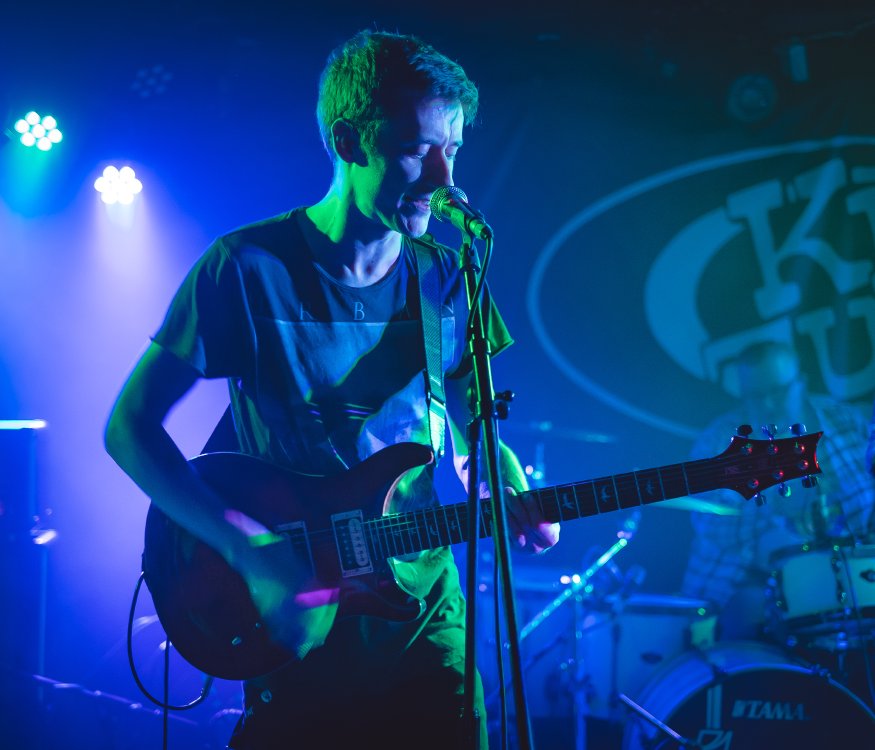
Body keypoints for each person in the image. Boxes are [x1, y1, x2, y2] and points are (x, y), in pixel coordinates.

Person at [104, 30, 558, 749]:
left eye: (454, 150)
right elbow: (128, 428)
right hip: (298, 616)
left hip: (422, 615)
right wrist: (249, 548)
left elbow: (475, 426)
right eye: (417, 149)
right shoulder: (246, 267)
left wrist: (507, 482)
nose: (442, 177)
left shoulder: (447, 274)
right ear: (350, 142)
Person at [680, 340, 875, 694]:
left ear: (800, 381)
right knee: (747, 621)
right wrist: (773, 504)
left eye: (778, 391)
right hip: (748, 593)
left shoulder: (843, 420)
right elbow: (711, 525)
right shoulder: (719, 440)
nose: (767, 404)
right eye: (755, 395)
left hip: (850, 588)